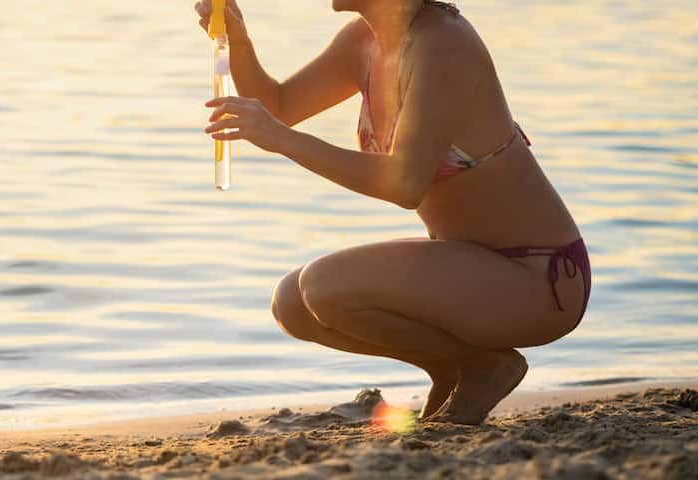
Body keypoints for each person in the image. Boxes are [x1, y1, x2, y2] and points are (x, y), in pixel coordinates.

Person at [195, 0, 589, 424]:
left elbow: (404, 184)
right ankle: (452, 367)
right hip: (473, 273)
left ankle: (486, 366)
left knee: (324, 286)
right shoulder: (364, 41)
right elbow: (279, 104)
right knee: (292, 302)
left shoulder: (443, 44)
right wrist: (239, 40)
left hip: (537, 279)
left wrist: (283, 140)